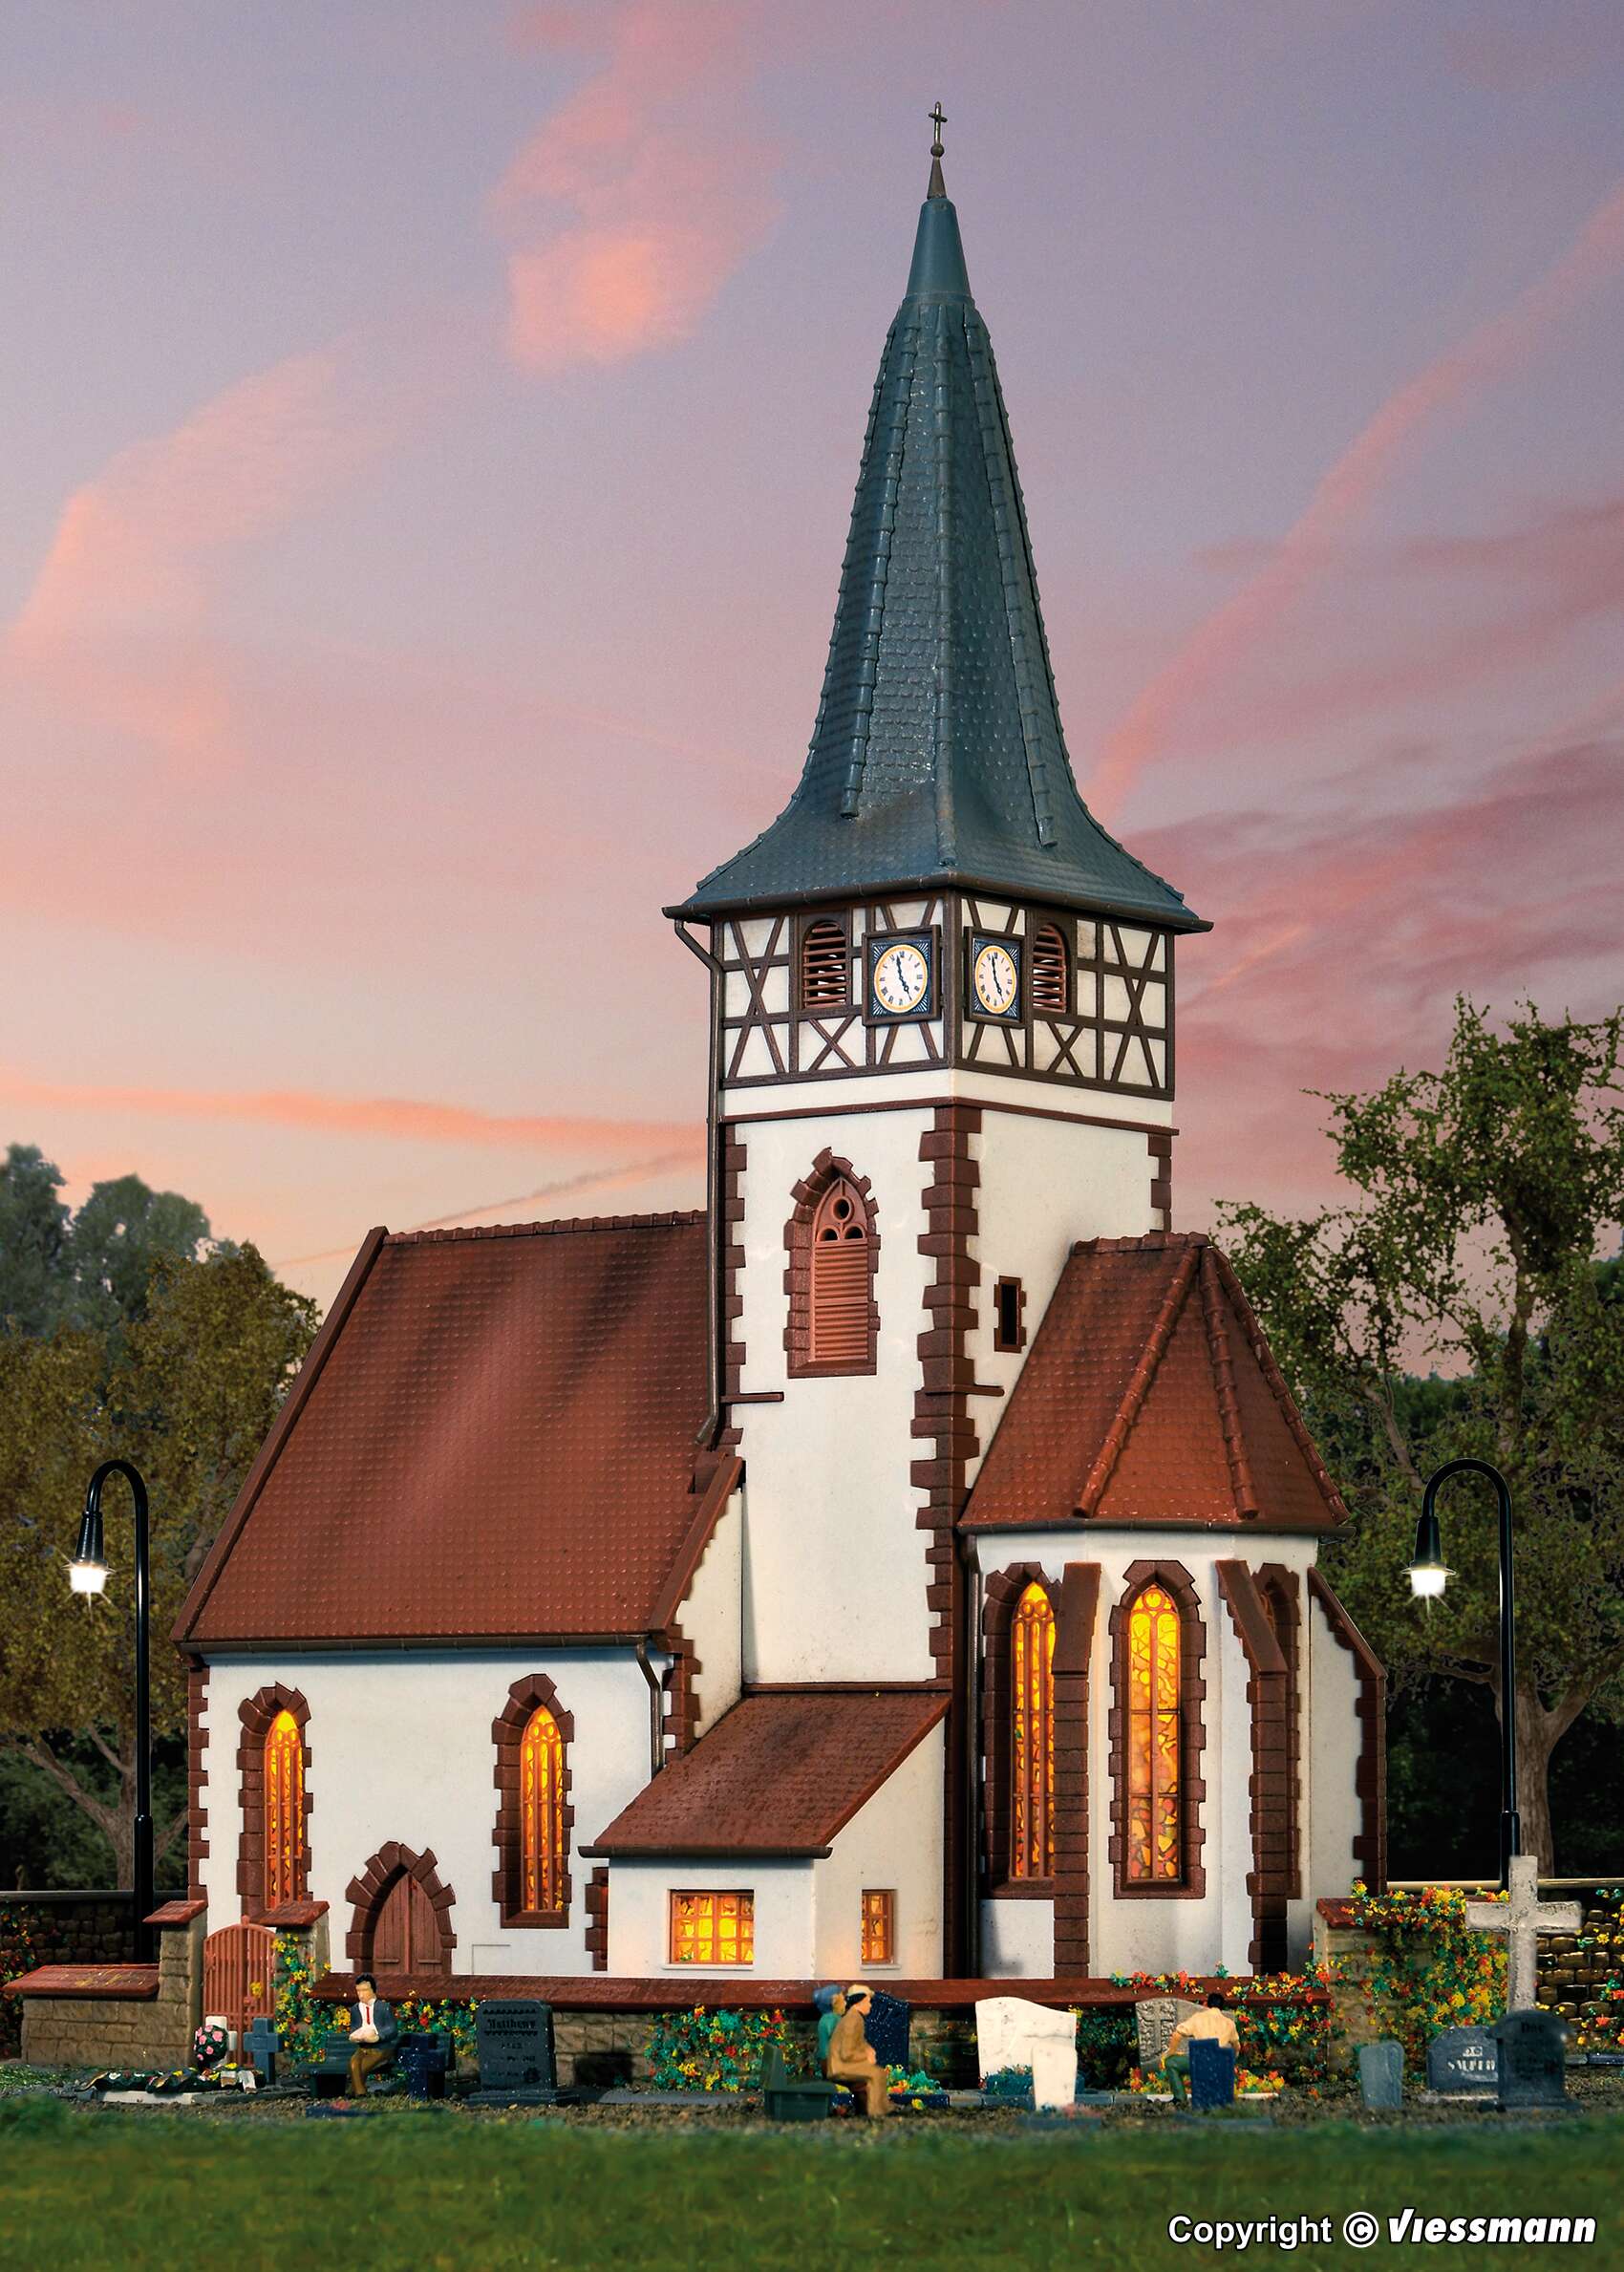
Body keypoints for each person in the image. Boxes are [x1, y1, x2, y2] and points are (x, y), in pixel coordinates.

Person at [1161, 1990, 1239, 2106]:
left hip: (1200, 2062)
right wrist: (1233, 2059)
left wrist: (1171, 2053)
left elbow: (1177, 2034)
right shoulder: (1229, 2023)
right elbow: (1236, 2046)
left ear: (1206, 2004)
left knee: (1170, 2062)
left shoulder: (1198, 2018)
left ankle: (1180, 2098)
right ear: (1222, 2007)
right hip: (1219, 2064)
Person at [825, 1983, 890, 2118]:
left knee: (876, 2073)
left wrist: (867, 2048)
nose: (870, 2005)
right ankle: (876, 2111)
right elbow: (847, 2052)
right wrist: (866, 2056)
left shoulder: (855, 2017)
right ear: (859, 2002)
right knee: (876, 2073)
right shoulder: (853, 2020)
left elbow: (858, 2042)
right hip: (840, 2066)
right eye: (868, 2002)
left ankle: (879, 2107)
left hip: (843, 2063)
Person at [346, 1973, 398, 2098]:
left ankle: (358, 2092)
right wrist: (355, 2035)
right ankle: (359, 2092)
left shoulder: (384, 2008)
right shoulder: (355, 2009)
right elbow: (354, 2027)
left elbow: (392, 2029)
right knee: (353, 2063)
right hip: (363, 2048)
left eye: (364, 1990)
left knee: (363, 2066)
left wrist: (379, 2036)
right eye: (358, 1991)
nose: (361, 1994)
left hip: (381, 2049)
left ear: (373, 1990)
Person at [815, 1984, 846, 2069]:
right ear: (834, 2002)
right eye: (843, 1999)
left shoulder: (826, 2018)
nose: (845, 2003)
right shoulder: (832, 2018)